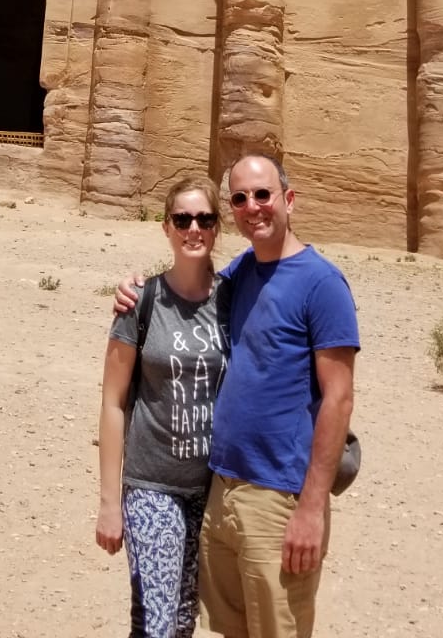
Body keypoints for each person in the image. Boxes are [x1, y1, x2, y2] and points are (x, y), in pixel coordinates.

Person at [115, 154, 359, 638]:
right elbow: (191, 284)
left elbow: (339, 399)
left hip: (278, 495)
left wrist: (311, 510)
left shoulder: (322, 283)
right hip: (221, 490)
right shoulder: (243, 272)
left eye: (263, 194)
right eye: (240, 198)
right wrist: (135, 289)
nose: (253, 206)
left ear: (289, 199)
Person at [97, 174, 229, 638]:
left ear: (217, 227)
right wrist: (109, 503)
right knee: (157, 622)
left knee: (182, 620)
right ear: (167, 227)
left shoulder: (234, 300)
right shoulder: (141, 301)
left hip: (212, 489)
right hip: (152, 486)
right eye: (183, 219)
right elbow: (113, 401)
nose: (194, 229)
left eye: (205, 219)